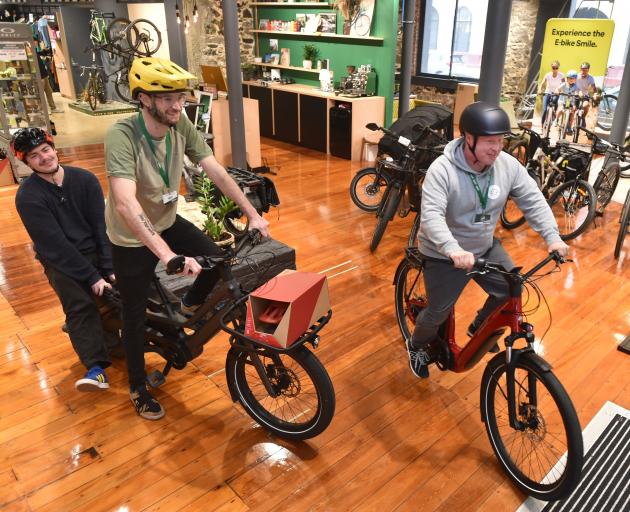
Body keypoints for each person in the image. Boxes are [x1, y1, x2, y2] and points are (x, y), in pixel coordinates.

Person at [105, 57, 270, 420]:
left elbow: (217, 173)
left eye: (179, 96)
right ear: (144, 99)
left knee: (219, 259)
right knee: (132, 316)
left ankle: (189, 305)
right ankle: (137, 387)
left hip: (165, 220)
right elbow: (125, 203)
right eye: (166, 99)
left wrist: (252, 213)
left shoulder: (181, 126)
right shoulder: (123, 135)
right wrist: (166, 257)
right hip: (130, 238)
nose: (177, 105)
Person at [405, 102, 569, 379]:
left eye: (501, 140)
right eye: (489, 141)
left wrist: (552, 236)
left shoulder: (506, 165)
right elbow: (431, 216)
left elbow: (532, 199)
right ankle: (416, 346)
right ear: (468, 138)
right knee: (438, 313)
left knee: (511, 289)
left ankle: (480, 326)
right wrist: (452, 249)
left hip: (484, 246)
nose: (497, 147)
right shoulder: (442, 170)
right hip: (445, 254)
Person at [13, 128, 116, 391]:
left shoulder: (85, 179)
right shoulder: (28, 196)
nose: (44, 158)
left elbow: (100, 226)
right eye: (34, 156)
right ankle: (96, 368)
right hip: (59, 259)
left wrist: (108, 267)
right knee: (79, 304)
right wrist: (92, 276)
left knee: (135, 279)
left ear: (54, 148)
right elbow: (54, 245)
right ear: (27, 163)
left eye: (46, 150)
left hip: (95, 247)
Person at [33, 35, 62, 114]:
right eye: (34, 41)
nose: (36, 43)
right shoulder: (30, 52)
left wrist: (46, 50)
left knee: (49, 92)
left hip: (44, 75)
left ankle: (53, 108)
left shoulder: (35, 51)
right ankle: (44, 110)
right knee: (41, 95)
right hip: (39, 77)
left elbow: (43, 52)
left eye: (36, 41)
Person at [539, 60, 564, 126]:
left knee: (556, 104)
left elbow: (564, 83)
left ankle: (554, 118)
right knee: (544, 109)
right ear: (551, 68)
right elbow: (542, 83)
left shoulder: (561, 75)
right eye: (553, 68)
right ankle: (542, 125)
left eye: (556, 68)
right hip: (548, 92)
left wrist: (560, 90)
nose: (555, 69)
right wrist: (539, 90)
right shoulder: (548, 75)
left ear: (558, 68)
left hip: (556, 93)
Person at [555, 70, 579, 135]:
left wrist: (578, 94)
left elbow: (577, 92)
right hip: (562, 101)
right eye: (569, 78)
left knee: (572, 113)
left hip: (571, 102)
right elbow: (557, 89)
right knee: (560, 109)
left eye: (573, 78)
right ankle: (556, 119)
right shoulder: (564, 84)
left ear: (575, 79)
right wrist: (557, 91)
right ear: (567, 78)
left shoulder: (575, 86)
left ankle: (569, 127)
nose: (571, 80)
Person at [575, 61, 596, 127]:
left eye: (585, 70)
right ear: (580, 69)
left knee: (586, 105)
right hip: (575, 94)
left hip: (585, 95)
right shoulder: (576, 76)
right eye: (582, 69)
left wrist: (594, 94)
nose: (583, 71)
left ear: (588, 70)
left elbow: (593, 87)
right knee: (573, 109)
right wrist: (578, 92)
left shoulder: (590, 78)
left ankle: (583, 117)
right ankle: (568, 125)